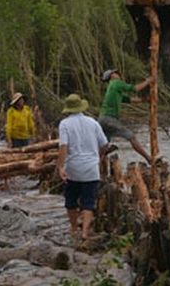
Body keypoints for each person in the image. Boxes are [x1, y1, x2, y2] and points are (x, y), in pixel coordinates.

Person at [57, 93, 109, 239]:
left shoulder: (65, 124)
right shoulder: (93, 122)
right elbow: (104, 143)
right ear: (81, 107)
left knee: (71, 200)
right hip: (91, 168)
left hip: (73, 168)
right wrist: (98, 156)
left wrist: (60, 167)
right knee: (88, 201)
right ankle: (85, 232)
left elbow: (63, 147)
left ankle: (74, 228)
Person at [98, 69, 154, 163]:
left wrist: (146, 99)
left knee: (104, 144)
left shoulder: (113, 89)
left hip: (102, 119)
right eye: (116, 73)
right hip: (109, 118)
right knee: (131, 136)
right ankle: (149, 159)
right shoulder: (116, 83)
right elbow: (135, 88)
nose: (119, 75)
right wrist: (148, 81)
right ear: (112, 76)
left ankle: (95, 162)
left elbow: (132, 100)